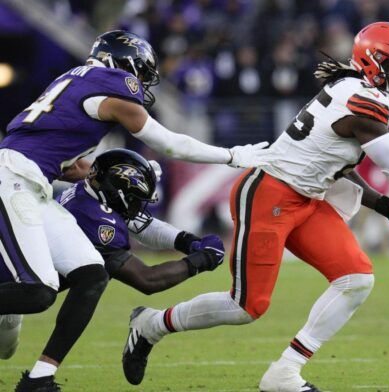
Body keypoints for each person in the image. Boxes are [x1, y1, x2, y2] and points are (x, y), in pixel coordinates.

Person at [121, 22, 389, 392]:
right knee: (246, 306)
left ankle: (284, 373)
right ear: (372, 62)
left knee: (356, 278)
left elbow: (334, 168)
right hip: (269, 194)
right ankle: (151, 324)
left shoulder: (353, 89)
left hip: (308, 198)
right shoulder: (363, 100)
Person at [0, 30, 263, 391]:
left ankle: (39, 380)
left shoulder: (74, 78)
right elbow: (171, 144)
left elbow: (46, 140)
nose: (139, 82)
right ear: (123, 64)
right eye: (139, 72)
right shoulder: (112, 83)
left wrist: (66, 162)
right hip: (16, 179)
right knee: (39, 292)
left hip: (32, 179)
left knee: (92, 275)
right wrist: (232, 155)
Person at [59, 149, 225, 294]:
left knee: (93, 276)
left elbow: (142, 224)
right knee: (94, 276)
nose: (138, 207)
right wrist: (203, 260)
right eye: (134, 199)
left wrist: (188, 242)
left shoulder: (92, 190)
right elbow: (147, 280)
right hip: (36, 282)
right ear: (116, 193)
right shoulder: (97, 219)